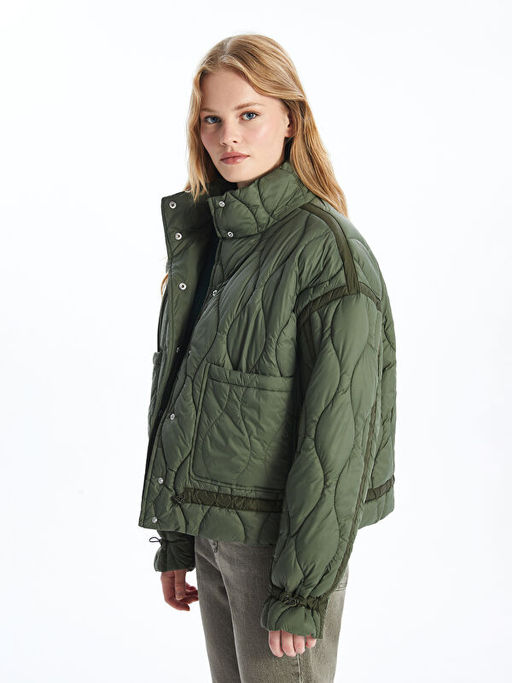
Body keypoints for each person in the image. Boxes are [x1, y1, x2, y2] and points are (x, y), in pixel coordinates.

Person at [139, 33, 397, 683]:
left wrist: (302, 591)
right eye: (212, 119)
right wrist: (178, 536)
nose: (229, 136)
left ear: (290, 119)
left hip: (280, 554)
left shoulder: (328, 254)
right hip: (211, 535)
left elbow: (337, 440)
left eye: (249, 113)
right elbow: (187, 399)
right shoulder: (209, 244)